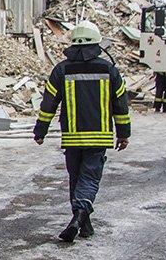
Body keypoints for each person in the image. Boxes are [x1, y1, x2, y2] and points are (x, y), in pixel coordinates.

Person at [32, 20, 131, 242]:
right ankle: (79, 218)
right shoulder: (109, 70)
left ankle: (84, 224)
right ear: (97, 43)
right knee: (89, 179)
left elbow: (48, 104)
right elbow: (120, 105)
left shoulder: (61, 70)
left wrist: (40, 130)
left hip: (72, 137)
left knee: (76, 180)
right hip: (98, 137)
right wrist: (123, 133)